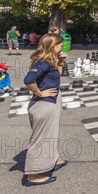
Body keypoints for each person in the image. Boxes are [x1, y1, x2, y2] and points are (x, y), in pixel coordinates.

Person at [22, 33, 68, 186]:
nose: (62, 47)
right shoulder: (43, 62)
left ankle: (54, 159)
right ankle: (33, 175)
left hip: (50, 103)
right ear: (53, 46)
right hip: (44, 104)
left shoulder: (49, 61)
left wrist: (60, 61)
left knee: (50, 135)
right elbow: (29, 80)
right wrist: (39, 93)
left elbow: (56, 75)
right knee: (41, 139)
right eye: (60, 45)